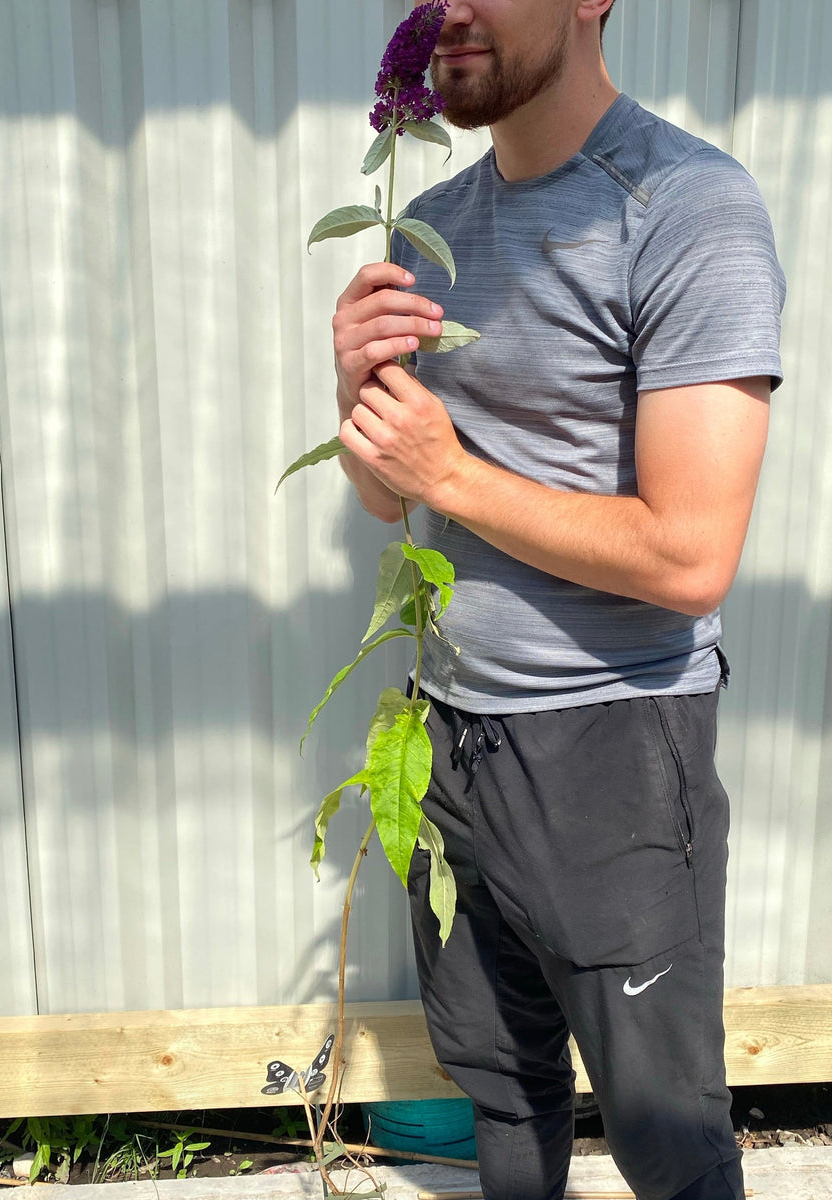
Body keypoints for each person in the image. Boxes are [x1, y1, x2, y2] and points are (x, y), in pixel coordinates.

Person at [330, 1, 786, 1197]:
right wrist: (360, 408)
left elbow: (692, 556)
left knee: (666, 1134)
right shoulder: (427, 224)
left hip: (614, 750)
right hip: (448, 736)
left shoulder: (690, 209)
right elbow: (390, 506)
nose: (449, 11)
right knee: (498, 1086)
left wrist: (450, 473)